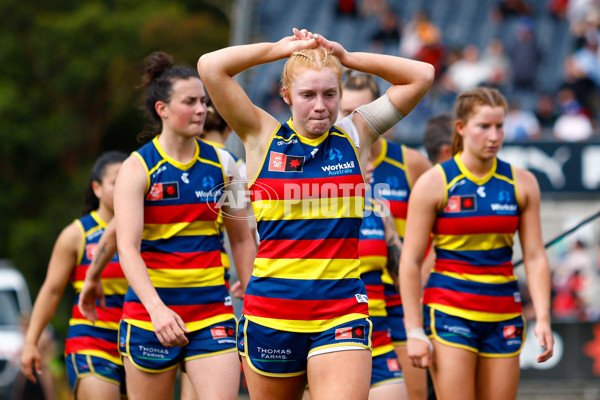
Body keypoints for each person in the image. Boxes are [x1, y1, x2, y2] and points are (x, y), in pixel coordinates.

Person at [198, 28, 434, 399]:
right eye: (307, 95)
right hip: (271, 314)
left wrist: (348, 56)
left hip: (342, 312)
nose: (320, 106)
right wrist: (278, 50)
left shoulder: (357, 134)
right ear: (286, 95)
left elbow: (422, 74)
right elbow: (210, 66)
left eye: (330, 94)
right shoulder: (261, 135)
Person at [113, 51, 256, 400]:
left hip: (212, 313)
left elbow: (241, 239)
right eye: (190, 101)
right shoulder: (136, 168)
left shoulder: (224, 163)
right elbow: (127, 248)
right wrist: (156, 309)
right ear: (162, 109)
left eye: (204, 102)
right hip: (151, 317)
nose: (201, 110)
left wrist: (254, 296)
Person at [400, 87, 554, 400]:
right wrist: (414, 330)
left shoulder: (522, 182)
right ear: (461, 128)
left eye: (499, 126)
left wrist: (543, 317)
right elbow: (411, 261)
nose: (494, 135)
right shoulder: (434, 183)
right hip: (449, 314)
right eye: (484, 126)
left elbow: (536, 256)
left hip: (504, 315)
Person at [339, 70, 432, 400]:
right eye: (346, 110)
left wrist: (421, 280)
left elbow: (437, 228)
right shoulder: (329, 164)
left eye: (362, 110)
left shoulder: (411, 162)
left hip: (399, 296)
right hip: (350, 297)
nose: (353, 119)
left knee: (411, 391)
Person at [21, 151, 128, 399]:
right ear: (97, 188)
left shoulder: (149, 231)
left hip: (139, 343)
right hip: (92, 341)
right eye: (116, 182)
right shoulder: (76, 235)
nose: (124, 188)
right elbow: (52, 291)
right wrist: (31, 343)